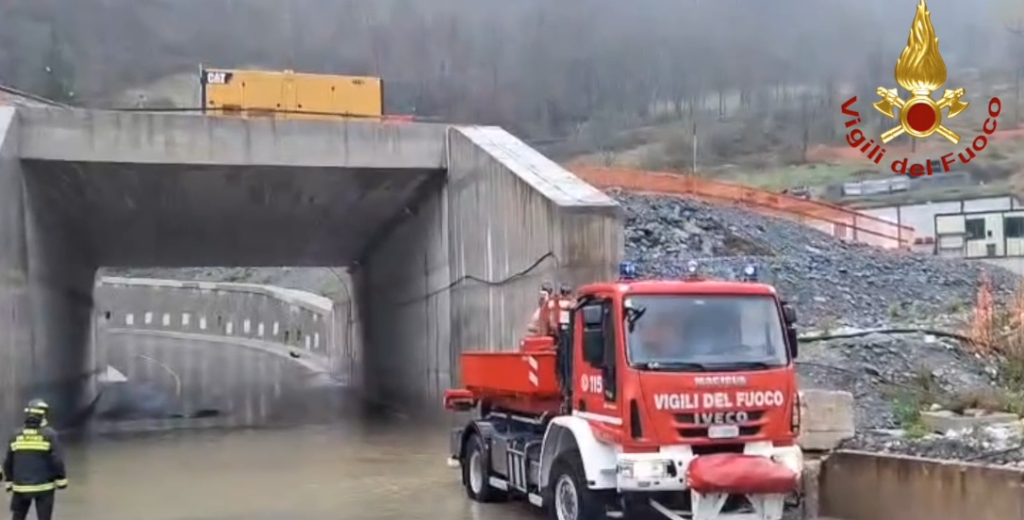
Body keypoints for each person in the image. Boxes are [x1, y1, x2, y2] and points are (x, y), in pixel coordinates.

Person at [2, 399, 68, 520]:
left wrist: (9, 481)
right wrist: (61, 480)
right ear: (43, 416)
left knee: (18, 517)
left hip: (20, 488)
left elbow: (8, 461)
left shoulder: (16, 435)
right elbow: (57, 460)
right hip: (44, 488)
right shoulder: (49, 435)